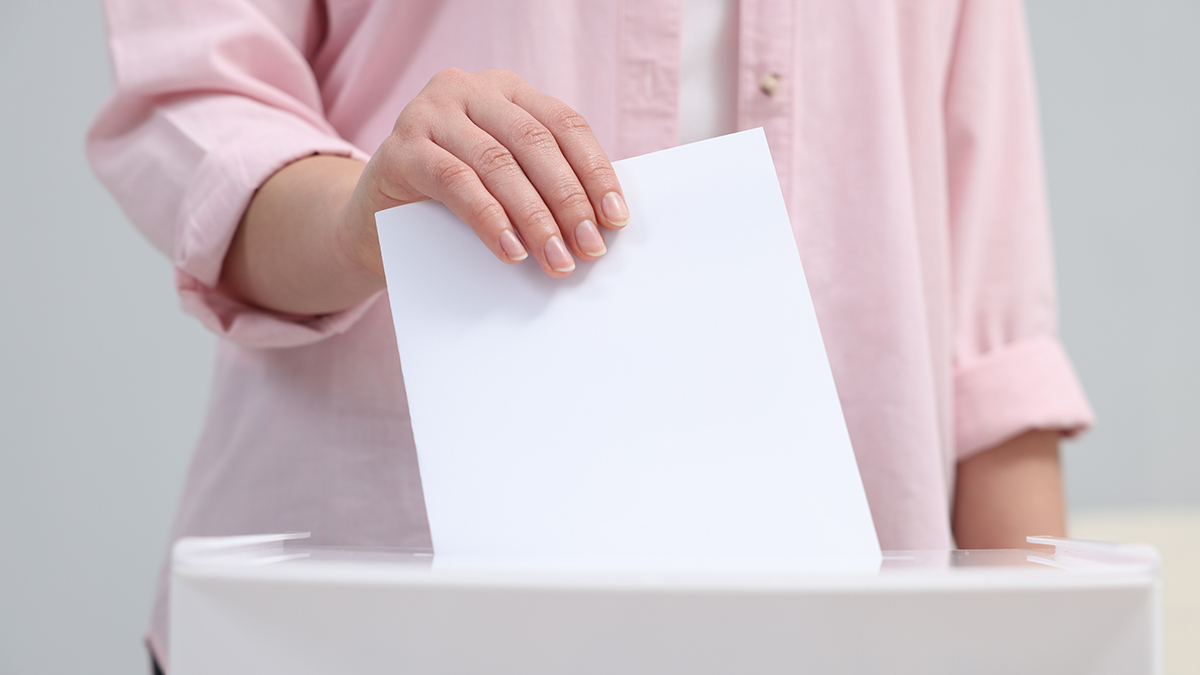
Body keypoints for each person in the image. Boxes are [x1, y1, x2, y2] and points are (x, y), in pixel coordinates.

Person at [88, 0, 1094, 671]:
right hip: (377, 614)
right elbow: (198, 101)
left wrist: (1048, 650)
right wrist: (359, 215)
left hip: (832, 635)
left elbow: (988, 344)